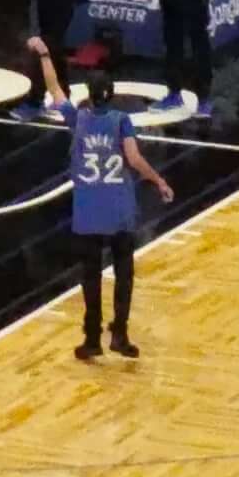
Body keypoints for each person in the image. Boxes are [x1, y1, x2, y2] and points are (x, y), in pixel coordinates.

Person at [64, 56, 172, 360]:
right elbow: (135, 159)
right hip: (119, 210)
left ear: (88, 93)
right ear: (112, 94)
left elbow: (56, 91)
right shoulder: (121, 121)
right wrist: (158, 180)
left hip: (87, 212)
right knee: (124, 273)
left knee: (91, 276)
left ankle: (92, 338)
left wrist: (45, 56)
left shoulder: (79, 119)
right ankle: (120, 335)